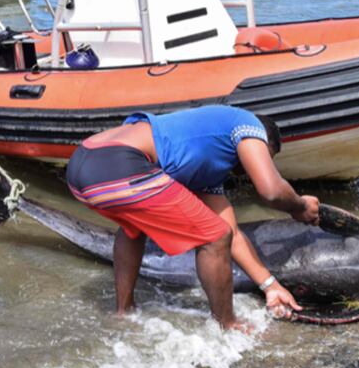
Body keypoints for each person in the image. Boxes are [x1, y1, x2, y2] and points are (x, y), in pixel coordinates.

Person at [66, 105, 320, 330]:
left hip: (82, 168)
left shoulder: (204, 168)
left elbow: (233, 234)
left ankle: (124, 311)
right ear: (264, 142)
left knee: (135, 228)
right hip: (120, 165)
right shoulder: (247, 124)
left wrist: (270, 286)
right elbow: (271, 190)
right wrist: (299, 206)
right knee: (214, 237)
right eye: (267, 156)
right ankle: (227, 324)